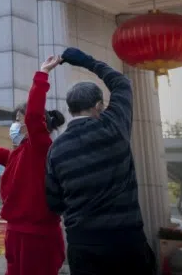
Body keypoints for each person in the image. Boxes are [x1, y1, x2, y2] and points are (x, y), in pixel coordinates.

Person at [45, 47, 157, 275]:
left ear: (70, 109)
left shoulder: (56, 149)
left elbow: (54, 203)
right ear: (98, 106)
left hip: (83, 247)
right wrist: (85, 60)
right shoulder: (114, 126)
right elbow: (121, 83)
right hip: (126, 242)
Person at [0, 55, 66, 275]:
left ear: (30, 123)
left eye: (18, 119)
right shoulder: (23, 151)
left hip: (35, 235)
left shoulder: (41, 146)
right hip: (18, 232)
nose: (14, 124)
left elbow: (34, 114)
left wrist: (42, 75)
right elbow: (3, 155)